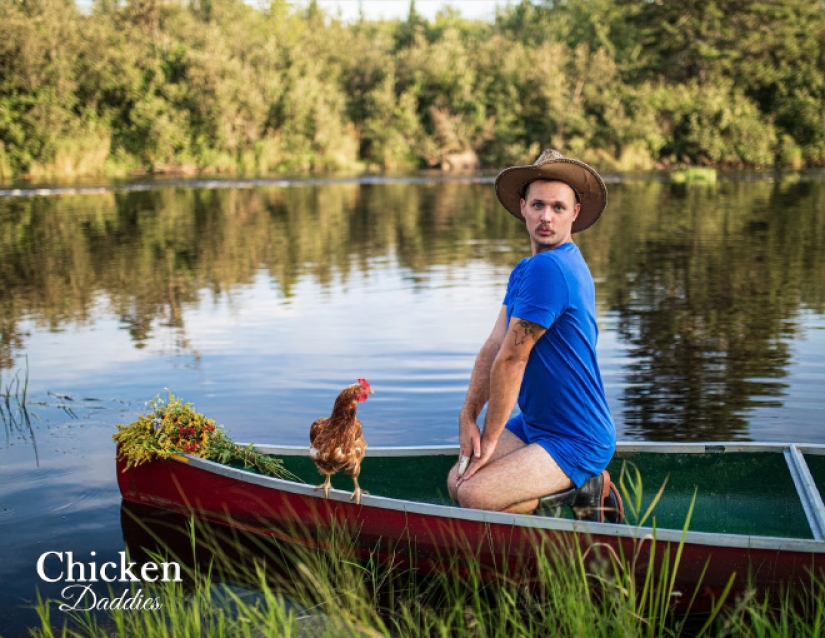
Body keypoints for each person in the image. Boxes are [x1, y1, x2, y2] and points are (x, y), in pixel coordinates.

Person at [446, 149, 620, 522]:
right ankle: (568, 488)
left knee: (474, 494)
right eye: (538, 204)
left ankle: (589, 488)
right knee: (457, 482)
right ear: (522, 207)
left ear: (574, 213)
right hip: (537, 423)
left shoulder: (552, 269)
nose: (546, 216)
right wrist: (468, 415)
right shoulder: (527, 269)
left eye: (558, 207)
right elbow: (494, 346)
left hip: (578, 437)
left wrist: (489, 439)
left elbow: (512, 359)